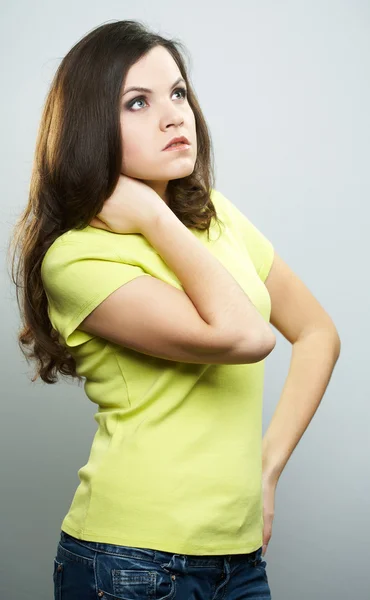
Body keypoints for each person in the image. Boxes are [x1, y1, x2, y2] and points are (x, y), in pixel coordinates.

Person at [9, 18, 340, 600]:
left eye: (179, 92)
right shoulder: (76, 258)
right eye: (137, 102)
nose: (174, 115)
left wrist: (266, 470)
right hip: (131, 563)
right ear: (90, 128)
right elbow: (246, 336)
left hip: (240, 557)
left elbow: (317, 332)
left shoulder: (215, 216)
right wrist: (149, 216)